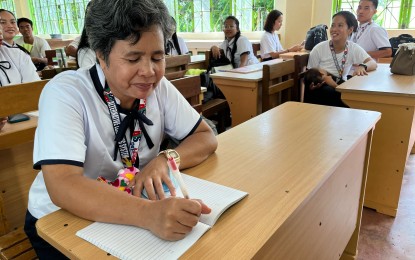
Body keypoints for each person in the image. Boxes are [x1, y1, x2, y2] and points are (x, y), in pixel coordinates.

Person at [24, 0, 217, 258]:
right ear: (101, 56)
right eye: (133, 58)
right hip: (62, 220)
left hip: (130, 203)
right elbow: (63, 185)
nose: (148, 71)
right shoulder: (66, 92)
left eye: (157, 57)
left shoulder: (158, 89)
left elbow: (205, 136)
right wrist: (149, 214)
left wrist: (166, 159)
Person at [306, 11, 377, 107]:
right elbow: (310, 75)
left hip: (341, 85)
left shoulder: (353, 48)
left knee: (360, 94)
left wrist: (363, 66)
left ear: (350, 29)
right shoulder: (319, 48)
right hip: (322, 88)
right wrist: (322, 80)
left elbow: (372, 63)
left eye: (340, 25)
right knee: (331, 93)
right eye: (333, 25)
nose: (334, 29)